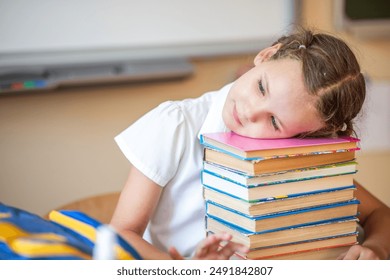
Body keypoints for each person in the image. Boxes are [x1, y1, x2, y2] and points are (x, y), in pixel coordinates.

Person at [110, 28, 390, 260]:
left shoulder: (294, 153)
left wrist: (375, 249)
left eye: (274, 122)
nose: (250, 111)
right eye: (261, 88)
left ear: (301, 137)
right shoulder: (175, 124)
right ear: (266, 55)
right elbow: (121, 233)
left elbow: (381, 214)